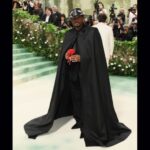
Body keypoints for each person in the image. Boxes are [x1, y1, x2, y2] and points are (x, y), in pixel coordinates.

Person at [24, 8, 131, 147]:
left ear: (83, 18)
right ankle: (80, 120)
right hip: (72, 71)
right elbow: (65, 51)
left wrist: (81, 57)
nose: (76, 21)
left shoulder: (92, 33)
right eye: (73, 19)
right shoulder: (69, 34)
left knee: (89, 97)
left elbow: (96, 54)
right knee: (76, 96)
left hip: (88, 73)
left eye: (78, 18)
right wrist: (67, 56)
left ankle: (89, 124)